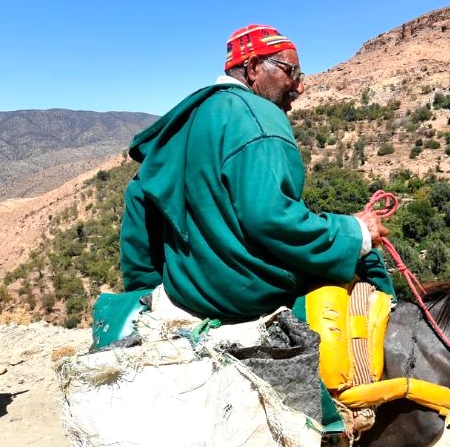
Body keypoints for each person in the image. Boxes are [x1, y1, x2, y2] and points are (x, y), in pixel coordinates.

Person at [119, 23, 393, 322]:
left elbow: (138, 197)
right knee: (368, 262)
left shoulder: (190, 116)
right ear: (253, 68)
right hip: (245, 294)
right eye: (291, 72)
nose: (299, 87)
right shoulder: (259, 116)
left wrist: (144, 288)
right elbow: (270, 218)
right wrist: (355, 233)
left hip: (188, 290)